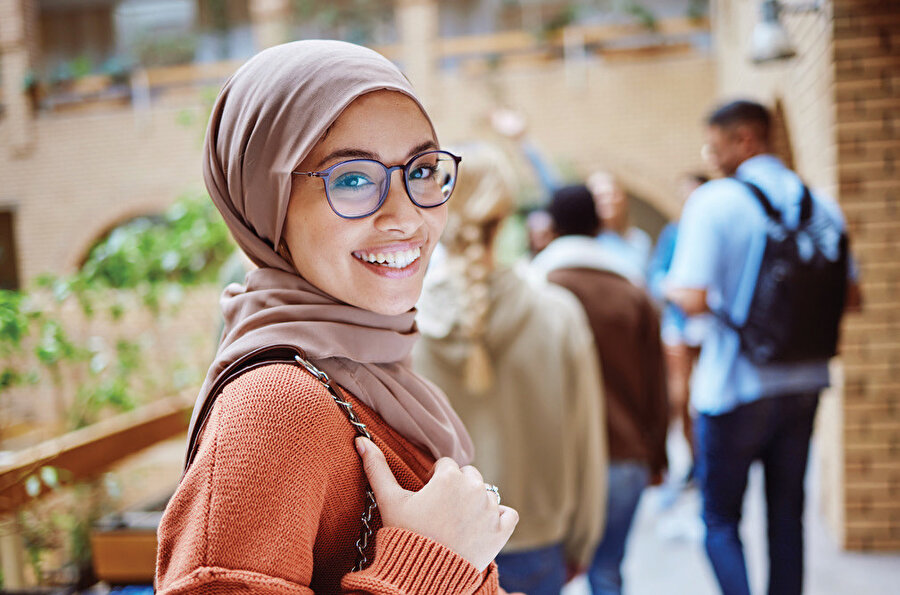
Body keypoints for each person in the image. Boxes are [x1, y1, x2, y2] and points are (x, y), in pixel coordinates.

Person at [155, 40, 519, 594]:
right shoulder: (274, 411)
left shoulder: (370, 371)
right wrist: (425, 565)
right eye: (352, 178)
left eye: (421, 170)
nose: (405, 216)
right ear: (267, 201)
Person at [665, 100, 862, 595]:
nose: (709, 155)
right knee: (786, 517)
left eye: (714, 144)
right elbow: (853, 298)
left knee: (720, 519)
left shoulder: (717, 201)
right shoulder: (823, 205)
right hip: (805, 383)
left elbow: (690, 297)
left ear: (745, 139)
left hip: (735, 386)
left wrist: (668, 288)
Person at [412, 143, 607, 595]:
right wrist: (582, 538)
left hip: (429, 554)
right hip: (537, 542)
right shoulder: (559, 314)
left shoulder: (400, 324)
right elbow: (585, 439)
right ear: (508, 216)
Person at [531, 185, 669, 595]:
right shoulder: (633, 291)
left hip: (554, 463)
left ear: (550, 227)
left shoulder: (534, 289)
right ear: (598, 225)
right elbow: (656, 385)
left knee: (548, 576)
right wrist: (657, 457)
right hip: (624, 458)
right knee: (608, 573)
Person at [647, 173, 710, 486]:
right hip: (680, 324)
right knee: (680, 395)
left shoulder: (714, 232)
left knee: (708, 395)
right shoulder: (674, 233)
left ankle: (709, 459)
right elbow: (656, 275)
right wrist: (675, 291)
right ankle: (694, 459)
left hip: (711, 328)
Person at [586, 171, 652, 282]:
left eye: (612, 195)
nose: (608, 201)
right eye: (600, 196)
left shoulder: (640, 239)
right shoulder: (586, 242)